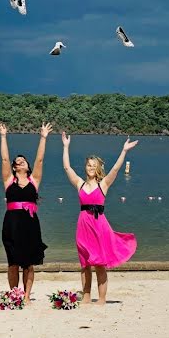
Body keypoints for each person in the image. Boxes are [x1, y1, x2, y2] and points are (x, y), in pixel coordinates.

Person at [61, 131, 139, 305]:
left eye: (93, 165)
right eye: (88, 165)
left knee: (99, 264)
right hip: (83, 226)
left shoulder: (103, 184)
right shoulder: (80, 184)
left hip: (99, 226)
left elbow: (116, 169)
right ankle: (86, 296)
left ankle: (102, 299)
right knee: (84, 264)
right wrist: (66, 147)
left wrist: (124, 151)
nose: (90, 167)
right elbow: (67, 168)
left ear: (98, 168)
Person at [0, 121, 52, 302]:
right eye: (17, 160)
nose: (20, 160)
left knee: (29, 263)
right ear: (14, 167)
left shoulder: (34, 180)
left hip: (30, 224)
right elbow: (5, 159)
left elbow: (40, 159)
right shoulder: (8, 180)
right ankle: (15, 294)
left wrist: (43, 137)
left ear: (27, 166)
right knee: (13, 262)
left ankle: (27, 296)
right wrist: (3, 136)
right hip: (11, 223)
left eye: (23, 160)